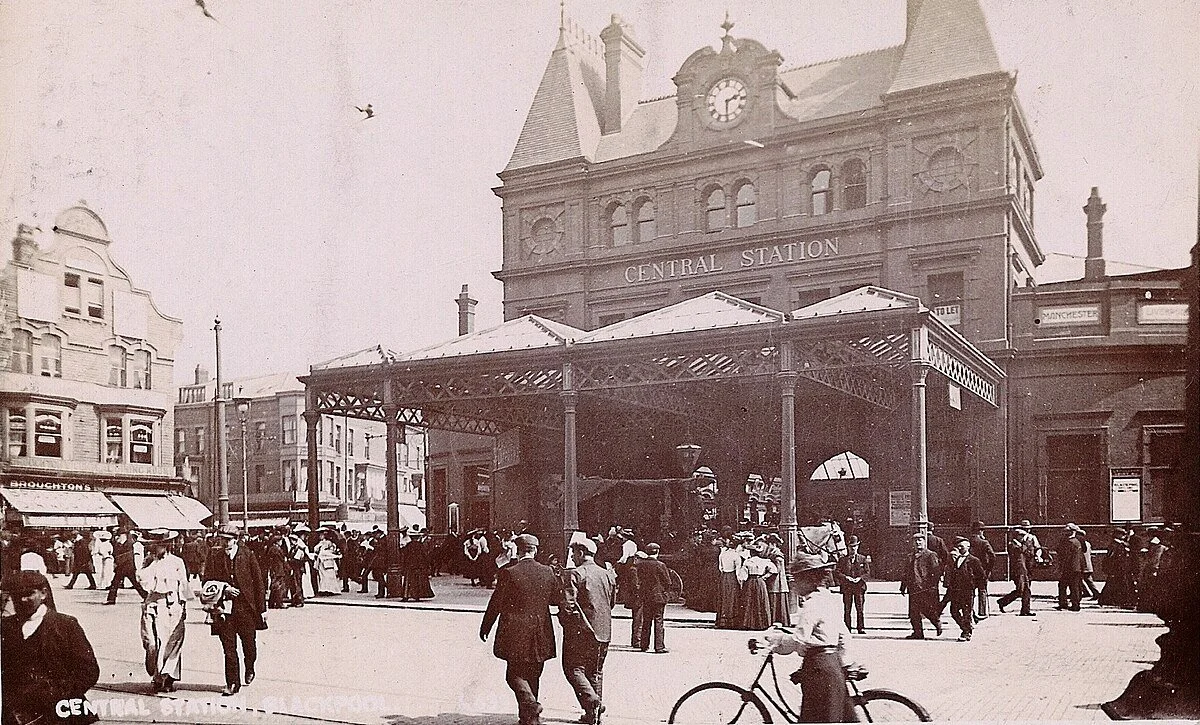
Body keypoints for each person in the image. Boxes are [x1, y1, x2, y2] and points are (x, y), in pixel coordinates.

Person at [480, 534, 563, 725]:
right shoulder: (548, 572)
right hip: (540, 631)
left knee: (514, 674)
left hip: (515, 631)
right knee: (534, 673)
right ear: (536, 550)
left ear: (517, 550)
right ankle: (530, 718)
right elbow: (555, 600)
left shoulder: (509, 572)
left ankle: (530, 705)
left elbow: (496, 603)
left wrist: (486, 626)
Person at [761, 553, 853, 723]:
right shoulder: (827, 599)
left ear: (808, 580)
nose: (793, 584)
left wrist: (774, 642)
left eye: (796, 580)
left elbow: (799, 640)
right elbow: (843, 635)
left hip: (818, 670)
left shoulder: (812, 604)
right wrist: (843, 662)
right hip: (832, 667)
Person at [3, 571, 101, 725]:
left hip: (60, 713)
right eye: (16, 595)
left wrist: (55, 695)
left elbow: (88, 671)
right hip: (16, 714)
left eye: (29, 594)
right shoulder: (6, 627)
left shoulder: (65, 625)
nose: (22, 599)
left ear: (43, 594)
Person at [559, 537, 616, 725]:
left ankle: (593, 702)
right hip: (604, 630)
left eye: (573, 553)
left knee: (573, 669)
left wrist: (566, 623)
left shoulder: (575, 574)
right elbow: (612, 603)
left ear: (581, 553)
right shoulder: (607, 574)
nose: (572, 557)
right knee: (595, 672)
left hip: (580, 632)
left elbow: (567, 606)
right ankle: (593, 715)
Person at [205, 525, 267, 696]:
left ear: (236, 539)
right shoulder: (214, 556)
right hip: (224, 609)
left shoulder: (247, 554)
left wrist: (262, 609)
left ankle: (250, 667)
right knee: (229, 648)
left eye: (229, 540)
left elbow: (258, 582)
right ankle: (232, 683)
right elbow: (207, 581)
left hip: (246, 608)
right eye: (222, 540)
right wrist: (223, 589)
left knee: (249, 645)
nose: (225, 544)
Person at [137, 529, 190, 692]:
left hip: (173, 605)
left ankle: (167, 678)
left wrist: (184, 605)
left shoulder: (177, 562)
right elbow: (142, 582)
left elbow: (184, 585)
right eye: (153, 545)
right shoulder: (148, 562)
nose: (156, 548)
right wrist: (149, 563)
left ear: (166, 545)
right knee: (153, 642)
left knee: (171, 642)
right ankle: (157, 673)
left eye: (159, 545)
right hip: (153, 604)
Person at [899, 531, 942, 639]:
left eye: (920, 540)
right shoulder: (910, 556)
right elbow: (906, 572)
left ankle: (936, 622)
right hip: (913, 588)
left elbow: (936, 572)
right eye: (916, 541)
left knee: (927, 609)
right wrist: (903, 586)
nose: (918, 543)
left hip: (925, 588)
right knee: (913, 613)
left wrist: (932, 585)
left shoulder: (930, 555)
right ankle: (918, 633)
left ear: (924, 542)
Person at [945, 537, 986, 641]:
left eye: (962, 546)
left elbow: (981, 576)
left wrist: (976, 586)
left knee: (966, 612)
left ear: (968, 547)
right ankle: (966, 627)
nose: (959, 548)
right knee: (954, 611)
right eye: (959, 546)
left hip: (968, 591)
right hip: (956, 590)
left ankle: (966, 633)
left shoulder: (974, 560)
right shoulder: (958, 559)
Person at [637, 542, 672, 651]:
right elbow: (667, 581)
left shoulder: (641, 564)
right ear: (657, 552)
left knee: (646, 620)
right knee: (658, 620)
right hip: (658, 596)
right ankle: (659, 646)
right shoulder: (660, 565)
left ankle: (644, 645)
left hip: (646, 595)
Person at [997, 524, 1036, 616]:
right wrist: (1022, 546)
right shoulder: (1012, 545)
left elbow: (1029, 553)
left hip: (1024, 570)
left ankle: (1025, 610)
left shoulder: (1022, 544)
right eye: (1021, 536)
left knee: (1026, 590)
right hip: (1017, 571)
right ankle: (1003, 602)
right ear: (1017, 536)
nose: (1023, 537)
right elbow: (1020, 551)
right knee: (1021, 590)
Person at [835, 535, 870, 634]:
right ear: (848, 547)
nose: (853, 549)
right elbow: (837, 572)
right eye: (851, 546)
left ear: (858, 546)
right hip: (847, 587)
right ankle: (847, 628)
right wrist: (846, 578)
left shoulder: (863, 558)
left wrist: (860, 578)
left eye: (855, 546)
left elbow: (867, 572)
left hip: (859, 587)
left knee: (860, 608)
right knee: (847, 609)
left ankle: (861, 627)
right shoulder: (842, 560)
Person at [737, 542, 776, 631]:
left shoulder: (748, 561)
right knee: (760, 600)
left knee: (750, 601)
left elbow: (742, 575)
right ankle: (762, 623)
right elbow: (773, 570)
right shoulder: (764, 561)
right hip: (760, 581)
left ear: (751, 552)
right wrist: (764, 577)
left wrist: (742, 582)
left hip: (750, 581)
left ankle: (749, 623)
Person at [106, 530, 149, 604]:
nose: (118, 537)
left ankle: (146, 596)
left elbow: (127, 556)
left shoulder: (129, 544)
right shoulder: (119, 544)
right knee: (115, 583)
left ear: (124, 536)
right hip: (122, 567)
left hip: (127, 567)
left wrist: (118, 563)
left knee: (134, 584)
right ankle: (111, 599)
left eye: (119, 535)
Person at [968, 522, 996, 620]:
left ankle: (969, 611)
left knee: (970, 592)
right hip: (982, 570)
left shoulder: (967, 541)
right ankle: (982, 611)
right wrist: (988, 569)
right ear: (980, 531)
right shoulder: (984, 542)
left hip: (969, 571)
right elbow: (992, 556)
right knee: (982, 590)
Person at [1056, 524, 1085, 611]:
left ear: (1071, 532)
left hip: (1069, 568)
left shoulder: (1068, 542)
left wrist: (1061, 567)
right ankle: (1075, 604)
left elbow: (1065, 556)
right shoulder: (1077, 541)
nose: (1064, 533)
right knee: (1074, 586)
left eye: (1066, 531)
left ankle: (1065, 604)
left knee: (1064, 585)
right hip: (1077, 567)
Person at [715, 536, 743, 629]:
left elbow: (720, 568)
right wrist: (740, 582)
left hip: (724, 577)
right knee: (732, 598)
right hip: (732, 577)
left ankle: (721, 620)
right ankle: (731, 621)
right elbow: (738, 571)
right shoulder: (736, 556)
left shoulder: (723, 554)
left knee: (723, 597)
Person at [312, 530, 341, 596]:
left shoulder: (327, 543)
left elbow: (327, 551)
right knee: (324, 576)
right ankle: (325, 589)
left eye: (321, 535)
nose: (320, 536)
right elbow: (316, 549)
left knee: (328, 576)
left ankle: (329, 589)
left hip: (326, 561)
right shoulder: (322, 543)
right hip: (323, 562)